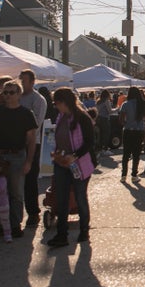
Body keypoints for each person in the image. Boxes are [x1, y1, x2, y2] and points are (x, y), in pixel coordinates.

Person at [0, 79, 37, 239]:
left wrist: (29, 161)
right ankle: (0, 225)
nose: (8, 96)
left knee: (15, 192)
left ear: (19, 94)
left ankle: (14, 225)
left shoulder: (26, 114)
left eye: (11, 92)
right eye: (5, 92)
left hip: (17, 155)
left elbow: (32, 140)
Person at [46, 87, 96, 247]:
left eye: (57, 103)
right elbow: (59, 139)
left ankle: (84, 230)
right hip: (62, 163)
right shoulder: (61, 117)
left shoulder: (82, 118)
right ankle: (62, 234)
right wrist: (58, 154)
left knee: (80, 197)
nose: (55, 106)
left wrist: (74, 155)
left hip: (79, 164)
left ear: (64, 102)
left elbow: (89, 142)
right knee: (62, 198)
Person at [18, 70, 47, 229]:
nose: (21, 84)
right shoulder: (17, 97)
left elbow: (36, 124)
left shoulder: (38, 100)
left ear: (32, 82)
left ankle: (33, 213)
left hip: (31, 144)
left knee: (30, 180)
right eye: (20, 80)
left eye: (24, 81)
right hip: (15, 144)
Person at [119, 86, 145, 183]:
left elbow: (120, 119)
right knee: (136, 154)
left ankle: (123, 175)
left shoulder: (125, 104)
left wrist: (127, 124)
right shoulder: (144, 105)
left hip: (128, 131)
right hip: (139, 132)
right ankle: (134, 175)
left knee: (126, 154)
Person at [95, 90, 114, 156]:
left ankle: (100, 149)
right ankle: (105, 149)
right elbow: (110, 111)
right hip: (105, 119)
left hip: (98, 119)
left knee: (100, 134)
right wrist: (118, 108)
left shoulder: (98, 101)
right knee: (106, 134)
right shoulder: (106, 101)